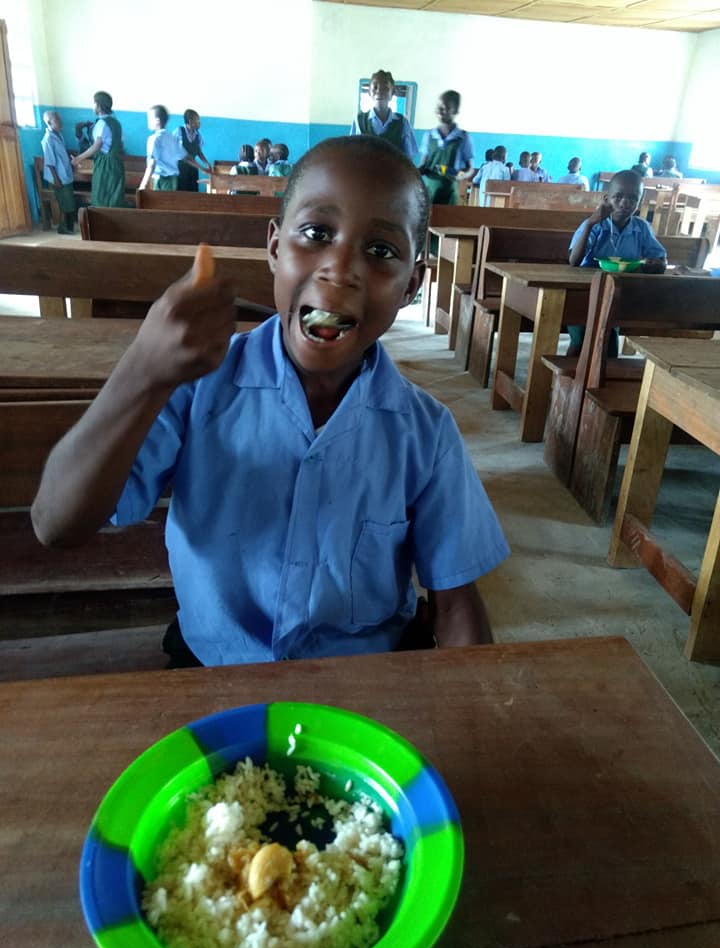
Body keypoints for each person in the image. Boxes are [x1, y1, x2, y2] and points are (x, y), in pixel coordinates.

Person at [31, 135, 509, 668]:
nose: (341, 268)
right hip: (215, 669)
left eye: (381, 251)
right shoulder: (196, 386)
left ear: (411, 285)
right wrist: (141, 371)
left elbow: (456, 603)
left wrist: (476, 713)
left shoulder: (425, 433)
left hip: (365, 681)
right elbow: (57, 524)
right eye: (316, 233)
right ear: (275, 247)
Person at [566, 169, 667, 357]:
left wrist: (656, 264)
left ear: (640, 202)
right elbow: (574, 261)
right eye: (618, 197)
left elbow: (660, 261)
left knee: (608, 341)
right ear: (606, 198)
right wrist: (590, 223)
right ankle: (568, 379)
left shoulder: (641, 228)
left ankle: (602, 380)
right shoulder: (594, 225)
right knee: (581, 339)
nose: (624, 203)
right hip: (584, 293)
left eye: (632, 198)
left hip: (621, 295)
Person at [417, 90, 474, 205]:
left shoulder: (462, 137)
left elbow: (470, 169)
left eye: (446, 108)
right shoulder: (429, 136)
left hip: (450, 194)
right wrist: (416, 172)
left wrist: (460, 175)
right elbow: (423, 165)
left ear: (456, 111)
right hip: (429, 193)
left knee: (447, 221)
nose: (440, 111)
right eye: (438, 107)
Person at [71, 90, 125, 207]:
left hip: (105, 165)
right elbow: (121, 145)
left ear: (99, 106)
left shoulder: (101, 123)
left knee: (102, 196)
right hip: (116, 163)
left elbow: (97, 145)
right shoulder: (116, 123)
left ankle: (102, 222)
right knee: (114, 196)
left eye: (94, 103)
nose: (92, 106)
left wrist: (78, 158)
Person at [349, 69, 417, 160]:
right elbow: (352, 154)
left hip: (392, 173)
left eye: (385, 88)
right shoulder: (359, 121)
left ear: (392, 92)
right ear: (369, 92)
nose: (379, 91)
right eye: (375, 87)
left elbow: (408, 159)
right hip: (364, 173)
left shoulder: (402, 123)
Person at [41, 110, 76, 235]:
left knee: (70, 201)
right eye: (57, 120)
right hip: (59, 177)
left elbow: (62, 152)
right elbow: (49, 163)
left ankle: (69, 227)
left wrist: (71, 159)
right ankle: (63, 228)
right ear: (49, 122)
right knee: (65, 202)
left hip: (65, 175)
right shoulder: (48, 139)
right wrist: (56, 179)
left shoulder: (59, 135)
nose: (61, 122)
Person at [139, 105, 189, 191]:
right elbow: (184, 156)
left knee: (158, 203)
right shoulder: (172, 138)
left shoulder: (154, 139)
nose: (148, 122)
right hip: (173, 180)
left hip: (161, 180)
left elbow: (152, 163)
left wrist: (143, 185)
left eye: (150, 119)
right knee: (168, 203)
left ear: (157, 121)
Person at [174, 109, 212, 192]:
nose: (199, 123)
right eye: (198, 121)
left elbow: (199, 152)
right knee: (181, 193)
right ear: (190, 121)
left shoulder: (197, 134)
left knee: (193, 192)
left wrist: (207, 163)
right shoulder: (179, 131)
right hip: (181, 169)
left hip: (193, 169)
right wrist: (202, 168)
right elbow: (185, 157)